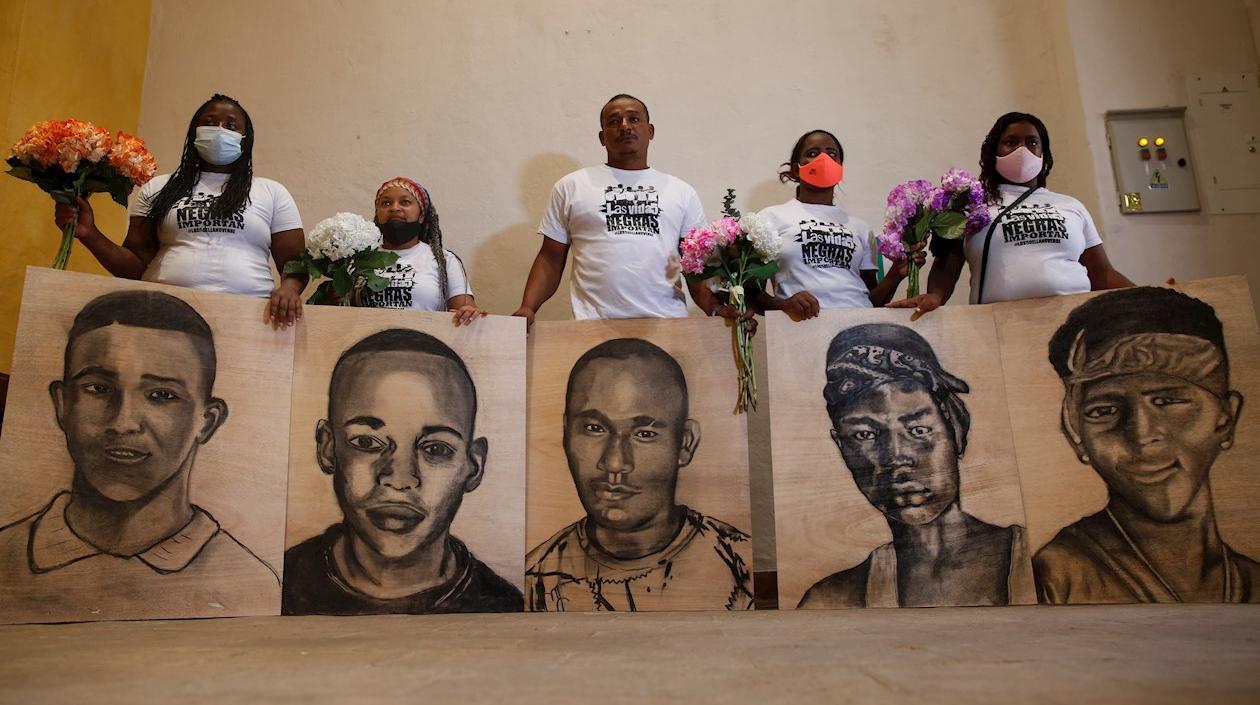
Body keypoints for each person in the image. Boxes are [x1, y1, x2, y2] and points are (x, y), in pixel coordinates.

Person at [0, 290, 279, 622]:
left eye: (161, 395)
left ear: (207, 421)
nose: (123, 422)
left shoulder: (252, 587)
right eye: (98, 389)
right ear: (62, 405)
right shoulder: (6, 556)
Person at [1035, 287, 1259, 604]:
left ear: (1226, 418)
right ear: (1076, 432)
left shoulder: (1250, 579)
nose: (1141, 435)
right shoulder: (1059, 575)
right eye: (1103, 411)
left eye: (1167, 401)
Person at [283, 329, 522, 614]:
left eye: (436, 449)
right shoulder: (279, 585)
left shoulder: (501, 605)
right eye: (366, 442)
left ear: (473, 466)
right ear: (327, 447)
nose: (399, 479)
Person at [798, 323, 1031, 608]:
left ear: (955, 427)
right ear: (842, 447)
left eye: (918, 430)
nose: (896, 457)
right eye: (865, 435)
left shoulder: (1046, 566)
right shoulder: (831, 601)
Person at [525, 338, 753, 611]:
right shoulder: (534, 579)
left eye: (644, 434)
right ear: (566, 433)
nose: (615, 462)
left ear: (685, 443)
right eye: (594, 428)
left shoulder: (741, 568)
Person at [53, 94, 307, 326]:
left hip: (249, 318)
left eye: (231, 126)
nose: (219, 131)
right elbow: (134, 267)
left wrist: (290, 289)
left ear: (245, 139)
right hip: (162, 313)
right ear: (194, 133)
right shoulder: (159, 187)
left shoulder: (272, 192)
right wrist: (90, 234)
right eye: (209, 122)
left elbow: (295, 264)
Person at [512, 94, 744, 325]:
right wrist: (528, 307)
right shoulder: (571, 186)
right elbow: (550, 259)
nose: (624, 126)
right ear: (602, 137)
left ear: (650, 131)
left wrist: (715, 308)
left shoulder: (681, 191)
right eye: (614, 121)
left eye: (634, 119)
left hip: (667, 323)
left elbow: (695, 265)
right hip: (592, 324)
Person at [889, 112, 1132, 314]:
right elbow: (947, 267)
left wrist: (1153, 294)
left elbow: (1102, 273)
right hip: (999, 325)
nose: (1022, 149)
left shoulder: (1071, 206)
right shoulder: (971, 205)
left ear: (1043, 153)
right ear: (993, 151)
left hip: (1075, 317)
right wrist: (935, 296)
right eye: (1011, 141)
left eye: (1032, 142)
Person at [755, 130, 924, 320]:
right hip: (802, 328)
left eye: (832, 154)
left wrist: (895, 275)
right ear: (796, 169)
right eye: (812, 153)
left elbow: (873, 302)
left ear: (840, 167)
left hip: (860, 324)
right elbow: (751, 293)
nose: (824, 158)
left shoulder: (859, 227)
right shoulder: (770, 219)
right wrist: (784, 305)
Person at [362, 177, 485, 326]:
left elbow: (465, 313)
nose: (394, 208)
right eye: (386, 203)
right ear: (378, 214)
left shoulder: (444, 260)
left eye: (405, 202)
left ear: (421, 216)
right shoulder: (359, 258)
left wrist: (470, 313)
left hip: (424, 346)